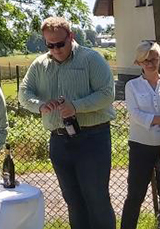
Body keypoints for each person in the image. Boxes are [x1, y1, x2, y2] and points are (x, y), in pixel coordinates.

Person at [18, 16, 116, 229]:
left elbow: (108, 94)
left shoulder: (91, 59)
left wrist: (76, 106)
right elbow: (24, 93)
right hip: (59, 141)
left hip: (92, 138)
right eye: (50, 45)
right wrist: (40, 105)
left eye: (60, 44)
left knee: (96, 199)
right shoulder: (40, 64)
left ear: (71, 36)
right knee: (73, 201)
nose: (55, 49)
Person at [121, 40, 160, 229]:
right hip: (141, 147)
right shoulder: (132, 86)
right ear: (138, 63)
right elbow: (137, 115)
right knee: (135, 195)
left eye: (154, 59)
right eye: (146, 60)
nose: (150, 63)